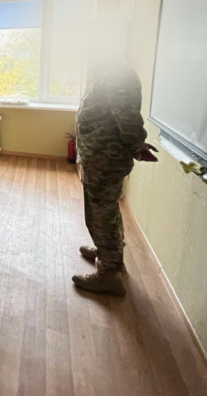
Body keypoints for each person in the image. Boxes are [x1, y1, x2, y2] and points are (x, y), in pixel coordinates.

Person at [72, 62, 159, 297]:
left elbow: (128, 120)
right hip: (99, 158)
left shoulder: (119, 76)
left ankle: (108, 273)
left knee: (101, 215)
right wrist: (137, 145)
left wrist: (137, 144)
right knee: (105, 211)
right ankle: (108, 252)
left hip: (104, 160)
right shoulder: (110, 74)